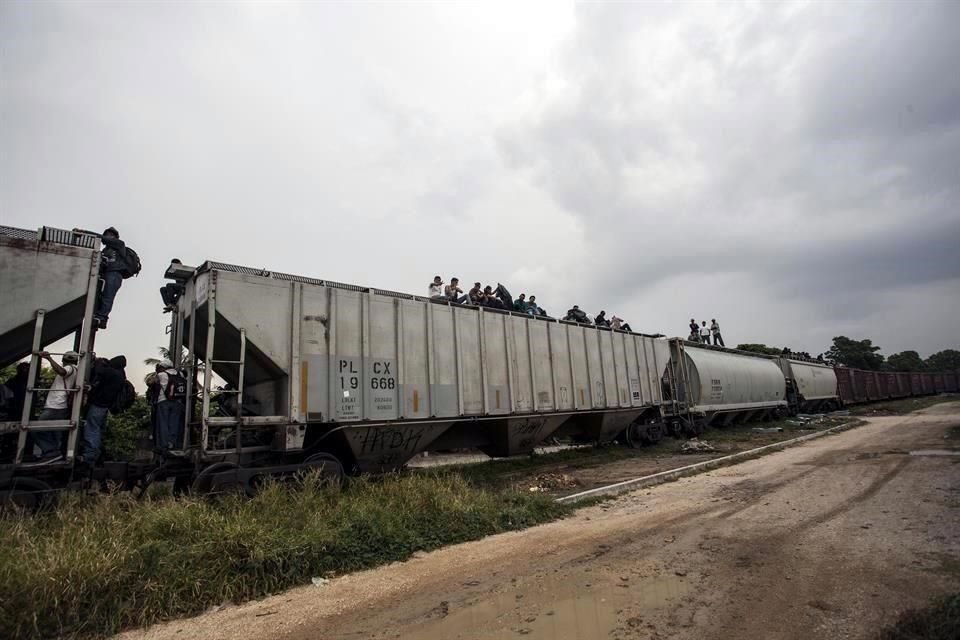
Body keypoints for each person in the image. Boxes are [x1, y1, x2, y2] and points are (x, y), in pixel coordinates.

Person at [32, 351, 79, 462]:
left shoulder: (70, 368)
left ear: (64, 360)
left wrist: (49, 358)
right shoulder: (76, 370)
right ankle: (52, 454)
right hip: (60, 406)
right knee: (53, 432)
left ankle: (51, 452)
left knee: (35, 429)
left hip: (56, 405)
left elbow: (61, 371)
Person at [81, 356, 126, 463]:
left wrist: (99, 362)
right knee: (98, 429)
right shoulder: (121, 375)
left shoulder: (111, 372)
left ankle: (90, 454)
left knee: (92, 428)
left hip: (98, 404)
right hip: (106, 406)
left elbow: (100, 371)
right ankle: (95, 454)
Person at [94, 227, 135, 329]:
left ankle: (102, 318)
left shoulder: (120, 244)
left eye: (110, 235)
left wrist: (84, 232)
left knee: (108, 296)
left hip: (115, 274)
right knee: (99, 296)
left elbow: (103, 238)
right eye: (107, 234)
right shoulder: (104, 251)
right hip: (104, 274)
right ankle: (97, 315)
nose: (108, 236)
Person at [154, 358, 186, 452]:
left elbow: (150, 382)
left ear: (163, 366)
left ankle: (164, 445)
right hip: (177, 401)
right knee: (174, 423)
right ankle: (173, 443)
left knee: (163, 423)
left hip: (163, 401)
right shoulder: (180, 374)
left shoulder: (161, 374)